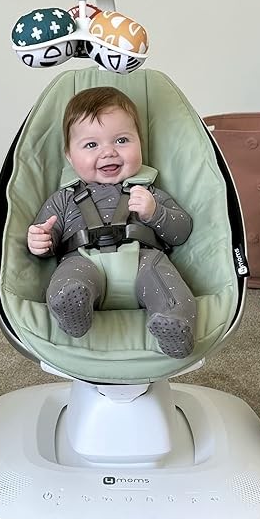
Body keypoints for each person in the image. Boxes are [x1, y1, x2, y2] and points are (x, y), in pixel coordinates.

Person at [27, 86, 196, 359]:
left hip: (143, 261)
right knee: (68, 280)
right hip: (83, 261)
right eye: (91, 145)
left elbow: (181, 231)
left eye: (122, 140)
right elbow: (47, 237)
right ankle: (73, 309)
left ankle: (175, 324)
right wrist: (40, 240)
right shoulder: (63, 198)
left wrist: (155, 213)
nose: (108, 152)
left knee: (168, 285)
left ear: (140, 143)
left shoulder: (148, 192)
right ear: (69, 155)